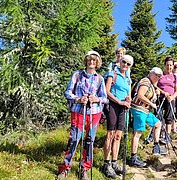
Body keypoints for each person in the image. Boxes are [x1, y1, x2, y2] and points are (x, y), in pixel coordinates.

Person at [57, 51, 108, 180]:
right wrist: (79, 99)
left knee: (90, 140)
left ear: (97, 63)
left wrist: (95, 99)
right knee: (74, 138)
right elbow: (68, 92)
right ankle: (65, 167)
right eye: (90, 60)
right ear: (86, 61)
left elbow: (104, 98)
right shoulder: (77, 75)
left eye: (94, 60)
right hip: (78, 111)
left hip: (94, 112)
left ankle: (84, 167)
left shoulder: (100, 78)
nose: (92, 62)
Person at [101, 55, 133, 178]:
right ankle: (106, 163)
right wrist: (119, 102)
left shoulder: (128, 79)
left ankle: (114, 162)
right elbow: (107, 91)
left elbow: (128, 94)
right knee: (110, 134)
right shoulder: (112, 74)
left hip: (123, 108)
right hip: (113, 106)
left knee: (118, 136)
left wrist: (128, 99)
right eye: (124, 62)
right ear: (120, 61)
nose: (125, 65)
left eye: (128, 64)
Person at [129, 67, 168, 167]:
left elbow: (152, 92)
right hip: (138, 110)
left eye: (159, 76)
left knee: (157, 124)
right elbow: (140, 95)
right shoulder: (145, 82)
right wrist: (152, 103)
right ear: (151, 73)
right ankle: (133, 157)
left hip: (145, 111)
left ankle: (156, 146)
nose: (158, 78)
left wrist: (157, 93)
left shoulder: (151, 84)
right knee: (138, 133)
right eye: (156, 75)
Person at [157, 57, 177, 141]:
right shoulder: (160, 75)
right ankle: (157, 135)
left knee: (168, 117)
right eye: (167, 65)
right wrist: (163, 92)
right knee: (158, 116)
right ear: (164, 65)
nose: (169, 67)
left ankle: (167, 136)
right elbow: (155, 85)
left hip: (170, 99)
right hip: (160, 97)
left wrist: (172, 97)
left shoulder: (175, 78)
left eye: (171, 65)